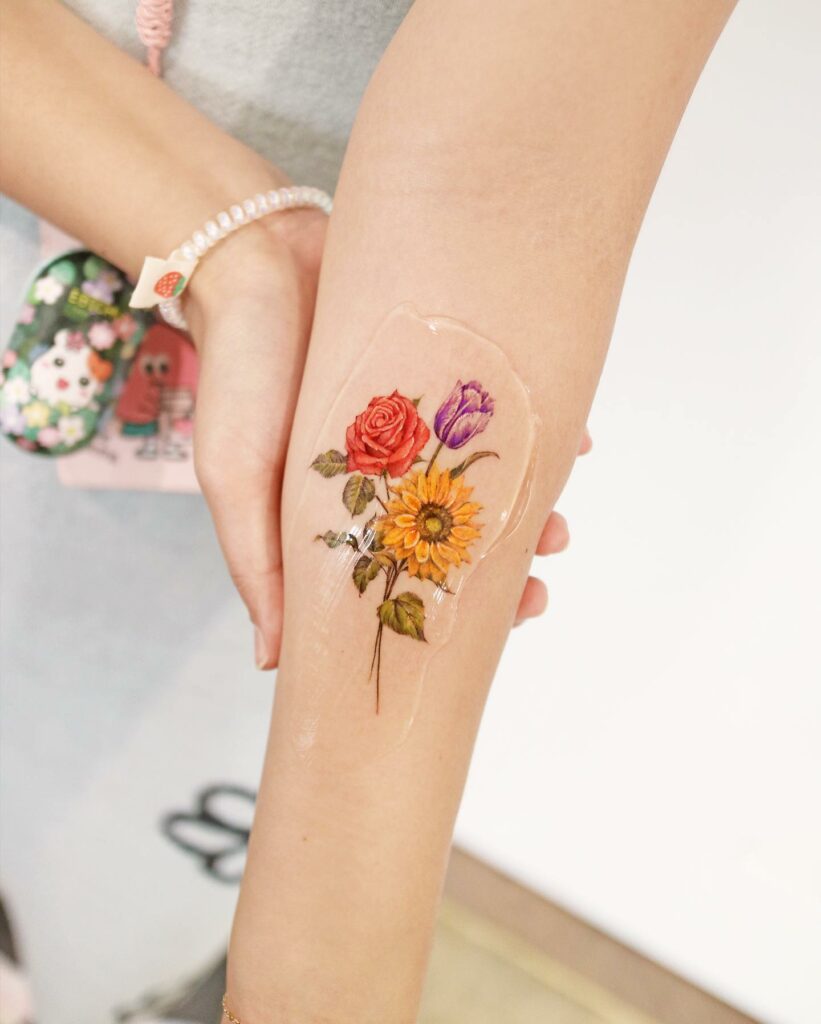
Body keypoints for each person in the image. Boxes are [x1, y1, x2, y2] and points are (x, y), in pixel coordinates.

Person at [0, 1, 737, 1021]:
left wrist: (317, 990)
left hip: (263, 433)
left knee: (99, 901)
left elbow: (501, 183)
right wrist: (221, 236)